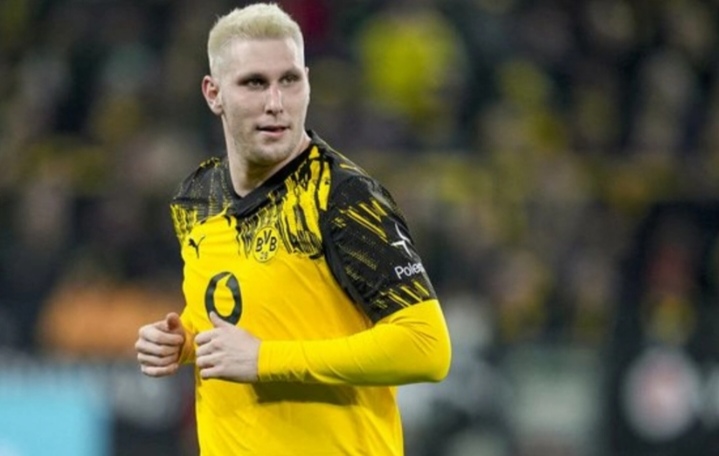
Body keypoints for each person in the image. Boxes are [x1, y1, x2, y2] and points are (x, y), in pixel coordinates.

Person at [134, 3, 451, 455]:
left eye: (289, 80)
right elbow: (242, 307)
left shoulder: (342, 197)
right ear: (213, 93)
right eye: (254, 83)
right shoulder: (197, 199)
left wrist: (265, 359)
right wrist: (182, 341)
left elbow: (426, 347)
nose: (275, 103)